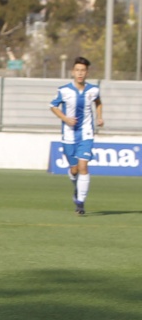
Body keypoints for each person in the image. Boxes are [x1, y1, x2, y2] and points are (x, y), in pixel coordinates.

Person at [49, 56, 104, 215]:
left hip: (86, 133)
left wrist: (99, 117)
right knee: (74, 170)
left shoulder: (93, 90)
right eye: (77, 70)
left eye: (83, 70)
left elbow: (98, 102)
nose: (80, 73)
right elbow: (53, 106)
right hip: (69, 135)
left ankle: (80, 203)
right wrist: (65, 118)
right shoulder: (64, 90)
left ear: (87, 73)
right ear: (73, 72)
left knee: (83, 167)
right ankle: (76, 188)